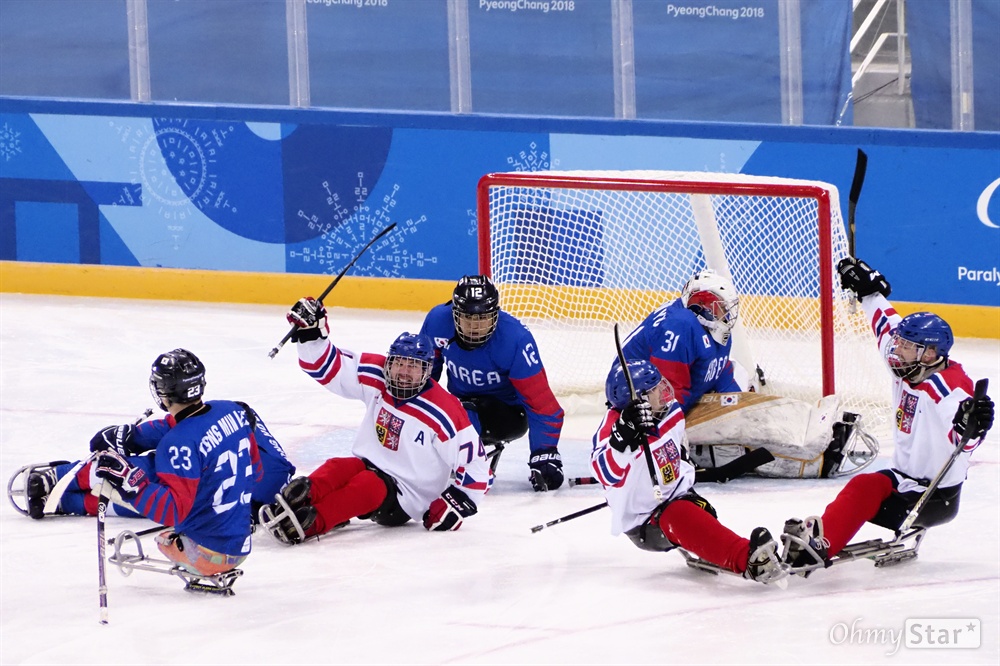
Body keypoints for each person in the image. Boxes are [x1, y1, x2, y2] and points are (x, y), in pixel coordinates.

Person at [781, 258, 995, 574]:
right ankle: (823, 539)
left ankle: (820, 546)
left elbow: (962, 442)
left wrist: (972, 427)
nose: (897, 350)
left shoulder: (949, 387)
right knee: (864, 486)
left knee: (863, 489)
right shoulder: (906, 364)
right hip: (904, 483)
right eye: (901, 344)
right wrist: (869, 292)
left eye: (907, 347)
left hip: (933, 498)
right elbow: (885, 323)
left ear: (930, 353)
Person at [258, 297, 491, 544]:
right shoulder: (376, 374)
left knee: (367, 485)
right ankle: (296, 499)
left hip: (407, 494)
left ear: (427, 371)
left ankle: (313, 522)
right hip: (370, 464)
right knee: (340, 467)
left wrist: (457, 503)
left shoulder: (443, 410)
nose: (404, 372)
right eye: (399, 363)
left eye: (414, 366)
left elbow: (475, 463)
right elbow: (326, 368)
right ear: (388, 362)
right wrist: (312, 333)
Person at [20, 349, 259, 577]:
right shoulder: (230, 410)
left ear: (164, 391)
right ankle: (66, 499)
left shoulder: (177, 444)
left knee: (132, 476)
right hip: (240, 546)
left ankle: (62, 486)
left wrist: (133, 483)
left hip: (204, 554)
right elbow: (255, 471)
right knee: (167, 479)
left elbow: (172, 511)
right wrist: (132, 437)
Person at [620, 268, 874, 479]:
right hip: (648, 405)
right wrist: (678, 437)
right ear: (702, 306)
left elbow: (719, 372)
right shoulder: (679, 327)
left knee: (743, 384)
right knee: (733, 436)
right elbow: (665, 396)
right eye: (720, 308)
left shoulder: (708, 326)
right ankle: (815, 460)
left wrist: (741, 406)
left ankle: (815, 427)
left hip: (678, 394)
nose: (726, 314)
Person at [591, 359, 786, 585]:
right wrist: (620, 441)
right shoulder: (614, 429)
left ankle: (720, 546)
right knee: (678, 514)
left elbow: (677, 456)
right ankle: (749, 559)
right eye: (654, 388)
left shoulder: (669, 411)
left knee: (702, 515)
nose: (663, 389)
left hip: (681, 495)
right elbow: (604, 473)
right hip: (645, 521)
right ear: (639, 400)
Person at [16, 393, 293, 525]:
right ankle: (67, 500)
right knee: (144, 493)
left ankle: (63, 480)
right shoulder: (278, 473)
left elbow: (181, 427)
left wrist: (131, 437)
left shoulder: (232, 414)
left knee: (142, 477)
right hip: (222, 502)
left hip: (205, 490)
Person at [419, 275, 565, 491]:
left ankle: (469, 464)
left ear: (495, 315)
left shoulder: (515, 339)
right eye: (468, 317)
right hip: (458, 407)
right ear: (455, 314)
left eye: (483, 318)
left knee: (463, 412)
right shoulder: (437, 322)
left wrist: (544, 453)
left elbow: (541, 402)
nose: (475, 326)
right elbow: (422, 378)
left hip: (507, 414)